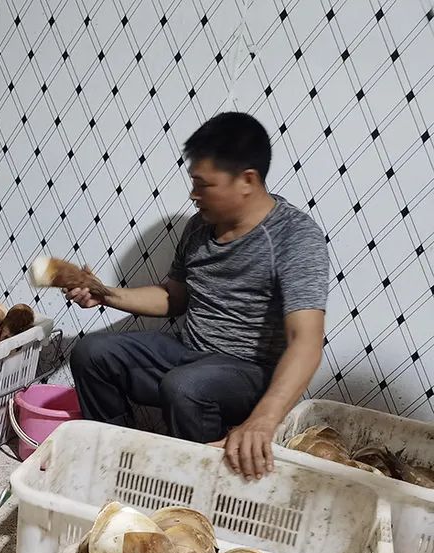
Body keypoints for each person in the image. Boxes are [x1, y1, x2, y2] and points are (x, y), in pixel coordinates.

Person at [67, 112, 328, 480]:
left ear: (247, 181)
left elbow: (307, 341)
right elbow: (173, 298)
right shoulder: (198, 228)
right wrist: (106, 294)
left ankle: (202, 488)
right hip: (189, 353)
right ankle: (116, 463)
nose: (193, 194)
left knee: (186, 387)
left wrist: (264, 420)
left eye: (203, 185)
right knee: (92, 353)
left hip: (250, 372)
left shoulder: (295, 237)